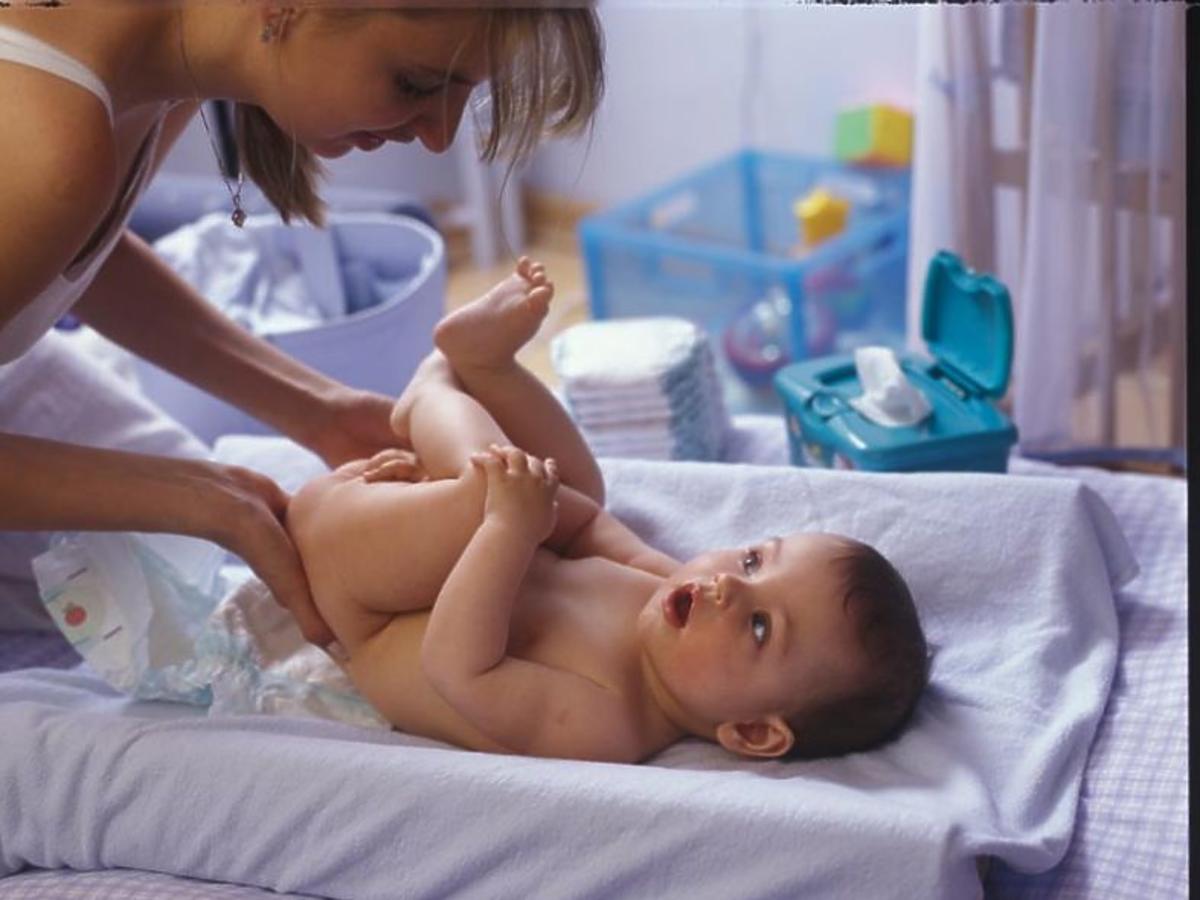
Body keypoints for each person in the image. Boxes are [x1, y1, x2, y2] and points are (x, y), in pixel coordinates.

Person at [0, 5, 604, 647]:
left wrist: (319, 410)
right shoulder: (48, 140)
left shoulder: (160, 49)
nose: (438, 135)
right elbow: (50, 199)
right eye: (417, 83)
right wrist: (197, 498)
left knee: (192, 597)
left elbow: (69, 249)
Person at [287, 258, 929, 764]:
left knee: (489, 497)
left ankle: (430, 395)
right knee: (583, 489)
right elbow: (587, 523)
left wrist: (510, 525)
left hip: (361, 598)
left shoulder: (604, 723)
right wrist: (534, 503)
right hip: (404, 527)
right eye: (755, 558)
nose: (730, 584)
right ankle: (488, 368)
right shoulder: (663, 587)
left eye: (760, 627)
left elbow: (456, 667)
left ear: (754, 732)